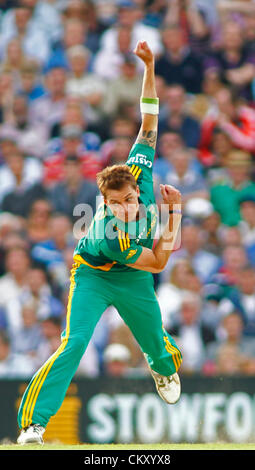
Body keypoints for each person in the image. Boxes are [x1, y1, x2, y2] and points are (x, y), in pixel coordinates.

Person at [17, 40, 183, 445]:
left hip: (134, 278)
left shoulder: (139, 172)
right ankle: (33, 425)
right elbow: (161, 262)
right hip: (94, 274)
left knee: (159, 350)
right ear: (105, 204)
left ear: (135, 187)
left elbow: (149, 119)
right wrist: (175, 213)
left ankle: (160, 365)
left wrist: (149, 64)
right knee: (74, 344)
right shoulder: (113, 237)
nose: (126, 208)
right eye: (115, 204)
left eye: (129, 200)